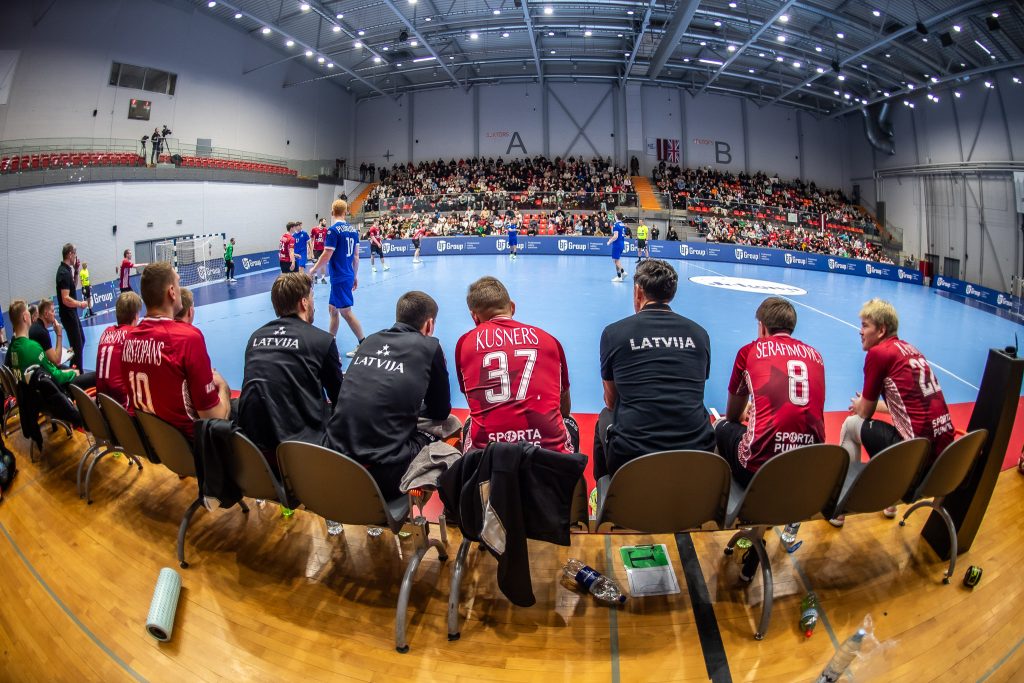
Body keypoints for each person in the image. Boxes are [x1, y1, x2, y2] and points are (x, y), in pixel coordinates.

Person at [834, 298, 955, 526]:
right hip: (943, 459)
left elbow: (865, 413)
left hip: (914, 459)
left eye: (865, 325)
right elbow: (905, 404)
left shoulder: (879, 354)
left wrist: (860, 404)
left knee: (851, 426)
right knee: (900, 426)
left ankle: (839, 508)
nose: (860, 331)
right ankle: (890, 503)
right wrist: (865, 403)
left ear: (881, 330)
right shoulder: (911, 350)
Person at [324, 291, 452, 500]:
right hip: (384, 475)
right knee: (449, 425)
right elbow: (440, 411)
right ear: (429, 325)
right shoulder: (430, 347)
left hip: (333, 461)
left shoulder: (370, 340)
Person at [594, 259, 714, 479]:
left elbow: (611, 401)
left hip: (632, 457)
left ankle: (604, 489)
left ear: (638, 292)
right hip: (696, 451)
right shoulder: (699, 334)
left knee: (605, 417)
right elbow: (695, 392)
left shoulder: (614, 333)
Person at [455, 277, 578, 454]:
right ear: (512, 306)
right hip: (549, 457)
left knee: (470, 420)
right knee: (569, 420)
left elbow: (474, 402)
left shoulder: (465, 343)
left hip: (488, 458)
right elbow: (563, 405)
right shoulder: (549, 340)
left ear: (474, 316)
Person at [714, 297, 826, 487]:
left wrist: (747, 411)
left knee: (720, 426)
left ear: (762, 327)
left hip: (758, 469)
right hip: (808, 464)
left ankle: (722, 497)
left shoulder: (749, 351)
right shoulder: (816, 355)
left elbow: (733, 416)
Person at [237, 272, 343, 465]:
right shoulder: (322, 340)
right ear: (304, 303)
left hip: (254, 448)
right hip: (302, 450)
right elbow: (339, 398)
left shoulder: (255, 338)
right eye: (312, 297)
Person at [120, 262, 231, 440]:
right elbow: (214, 418)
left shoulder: (128, 340)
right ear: (172, 292)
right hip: (190, 445)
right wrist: (223, 387)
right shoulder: (187, 338)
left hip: (151, 442)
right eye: (178, 283)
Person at [309, 200, 365, 357]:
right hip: (346, 275)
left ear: (332, 212)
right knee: (333, 310)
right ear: (345, 212)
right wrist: (354, 275)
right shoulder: (353, 231)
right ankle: (330, 343)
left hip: (339, 277)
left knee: (346, 312)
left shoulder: (333, 231)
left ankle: (363, 343)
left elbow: (327, 254)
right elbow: (356, 257)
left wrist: (313, 270)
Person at [6, 300, 94, 391]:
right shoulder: (33, 346)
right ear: (25, 317)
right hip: (48, 391)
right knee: (92, 376)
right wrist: (73, 373)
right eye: (28, 312)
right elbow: (54, 374)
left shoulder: (13, 346)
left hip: (29, 392)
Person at [95, 292, 142, 407]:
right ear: (136, 316)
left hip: (102, 404)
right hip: (123, 408)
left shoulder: (106, 332)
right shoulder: (133, 335)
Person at [56, 243, 89, 370]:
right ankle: (77, 373)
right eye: (74, 254)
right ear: (70, 254)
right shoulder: (63, 272)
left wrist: (76, 271)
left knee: (81, 340)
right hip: (68, 314)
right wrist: (80, 304)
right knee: (77, 345)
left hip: (72, 313)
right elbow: (65, 298)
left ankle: (73, 369)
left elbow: (73, 287)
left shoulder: (68, 270)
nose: (75, 256)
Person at [29, 300, 64, 367]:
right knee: (74, 371)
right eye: (52, 311)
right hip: (41, 370)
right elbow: (57, 361)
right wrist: (59, 334)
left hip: (37, 366)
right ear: (46, 314)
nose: (54, 314)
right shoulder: (42, 332)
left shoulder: (36, 327)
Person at [607, 212, 628, 282]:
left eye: (615, 215)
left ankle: (623, 272)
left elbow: (615, 236)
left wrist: (609, 241)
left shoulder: (616, 225)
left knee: (615, 260)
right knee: (617, 260)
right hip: (622, 243)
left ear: (616, 217)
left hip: (617, 244)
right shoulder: (623, 225)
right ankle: (619, 277)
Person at [310, 218, 328, 283]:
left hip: (323, 249)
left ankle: (323, 278)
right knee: (315, 264)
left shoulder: (326, 230)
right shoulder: (314, 229)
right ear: (320, 222)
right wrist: (311, 252)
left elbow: (327, 240)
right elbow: (311, 241)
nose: (325, 223)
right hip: (316, 249)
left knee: (324, 263)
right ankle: (315, 277)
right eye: (324, 221)